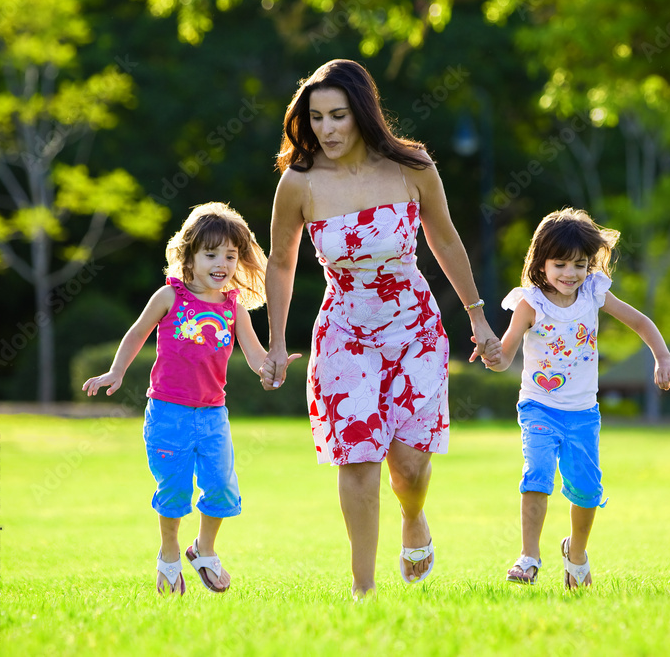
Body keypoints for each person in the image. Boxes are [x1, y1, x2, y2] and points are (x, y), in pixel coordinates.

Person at [261, 59, 501, 599]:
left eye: (338, 115)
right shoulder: (299, 183)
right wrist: (276, 344)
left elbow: (446, 240)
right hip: (344, 333)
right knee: (360, 456)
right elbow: (280, 263)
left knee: (411, 468)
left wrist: (479, 318)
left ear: (363, 113)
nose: (327, 129)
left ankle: (413, 517)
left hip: (414, 329)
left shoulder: (411, 167)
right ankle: (363, 589)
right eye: (316, 117)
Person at [82, 202, 299, 595]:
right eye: (211, 254)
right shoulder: (170, 296)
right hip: (168, 414)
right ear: (190, 256)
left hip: (213, 415)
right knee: (175, 490)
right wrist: (116, 371)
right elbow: (136, 333)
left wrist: (271, 367)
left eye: (230, 256)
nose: (222, 263)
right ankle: (168, 556)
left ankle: (203, 549)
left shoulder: (234, 308)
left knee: (221, 488)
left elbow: (252, 355)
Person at [480, 208, 670, 589]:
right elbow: (505, 357)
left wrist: (663, 358)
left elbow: (641, 322)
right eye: (560, 264)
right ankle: (529, 556)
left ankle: (576, 555)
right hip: (538, 406)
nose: (570, 274)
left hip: (583, 413)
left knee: (587, 491)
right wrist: (492, 354)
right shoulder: (530, 303)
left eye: (580, 264)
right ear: (541, 262)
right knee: (537, 475)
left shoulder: (594, 293)